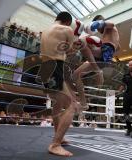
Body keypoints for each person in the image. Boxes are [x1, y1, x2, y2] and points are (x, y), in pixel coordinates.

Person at [39, 11, 81, 157]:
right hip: (55, 66)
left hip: (44, 68)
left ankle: (60, 137)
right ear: (67, 22)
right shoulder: (67, 29)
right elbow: (70, 51)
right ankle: (55, 144)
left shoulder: (45, 30)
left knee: (57, 105)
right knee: (72, 106)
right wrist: (78, 44)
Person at [72, 15, 120, 111]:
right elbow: (119, 47)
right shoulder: (109, 34)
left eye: (98, 27)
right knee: (76, 74)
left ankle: (98, 71)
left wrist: (98, 24)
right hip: (102, 56)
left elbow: (111, 24)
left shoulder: (110, 26)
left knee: (82, 41)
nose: (98, 29)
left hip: (105, 53)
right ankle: (84, 103)